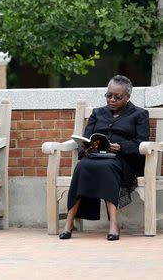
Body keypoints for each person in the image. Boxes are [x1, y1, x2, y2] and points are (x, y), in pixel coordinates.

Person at [59, 75, 149, 241]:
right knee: (82, 166)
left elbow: (141, 143)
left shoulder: (139, 114)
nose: (112, 100)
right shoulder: (97, 113)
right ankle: (68, 222)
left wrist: (121, 147)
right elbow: (86, 138)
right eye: (109, 95)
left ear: (128, 97)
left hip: (123, 160)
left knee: (107, 166)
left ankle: (113, 223)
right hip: (95, 157)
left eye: (117, 97)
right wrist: (86, 147)